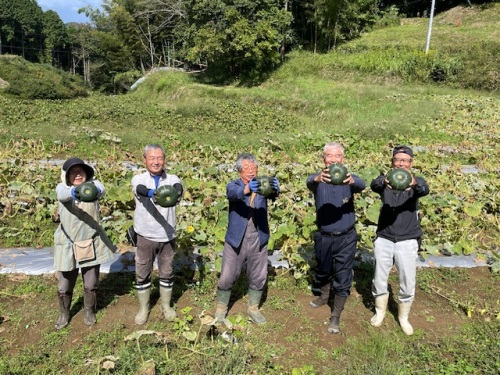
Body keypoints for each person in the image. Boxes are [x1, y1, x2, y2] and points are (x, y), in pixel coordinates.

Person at [306, 142, 365, 334]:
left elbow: (361, 184)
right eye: (329, 156)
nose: (333, 159)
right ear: (324, 159)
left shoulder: (349, 178)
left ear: (343, 159)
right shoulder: (318, 179)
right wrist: (316, 179)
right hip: (324, 236)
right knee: (323, 269)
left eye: (337, 156)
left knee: (342, 275)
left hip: (346, 237)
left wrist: (351, 182)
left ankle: (336, 316)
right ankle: (324, 296)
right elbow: (309, 182)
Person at [214, 153, 280, 324]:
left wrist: (275, 188)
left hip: (258, 235)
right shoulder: (233, 185)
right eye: (247, 168)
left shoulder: (262, 184)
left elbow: (272, 194)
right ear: (239, 171)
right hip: (237, 237)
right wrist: (247, 189)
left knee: (258, 274)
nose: (251, 171)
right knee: (228, 274)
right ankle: (221, 308)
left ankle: (253, 309)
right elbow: (233, 194)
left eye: (254, 168)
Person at [370, 145, 429, 335]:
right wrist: (384, 182)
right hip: (385, 237)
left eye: (405, 160)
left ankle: (403, 317)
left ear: (411, 164)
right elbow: (374, 185)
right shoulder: (385, 181)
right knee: (380, 276)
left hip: (407, 239)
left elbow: (424, 189)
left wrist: (413, 184)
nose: (401, 163)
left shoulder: (416, 182)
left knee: (407, 279)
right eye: (398, 160)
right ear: (393, 162)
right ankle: (380, 311)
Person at [54, 158, 116, 329]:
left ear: (87, 173)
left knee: (91, 283)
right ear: (66, 176)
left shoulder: (94, 186)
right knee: (65, 284)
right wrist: (76, 192)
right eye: (73, 172)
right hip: (68, 242)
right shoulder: (63, 188)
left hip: (91, 241)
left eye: (81, 171)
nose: (78, 174)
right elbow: (62, 195)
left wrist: (90, 190)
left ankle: (89, 310)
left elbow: (101, 190)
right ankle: (64, 313)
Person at [132, 144, 183, 325]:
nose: (156, 161)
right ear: (144, 160)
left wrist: (176, 192)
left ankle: (166, 306)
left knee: (167, 272)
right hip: (145, 235)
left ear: (164, 160)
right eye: (152, 158)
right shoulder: (139, 179)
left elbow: (178, 188)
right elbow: (139, 190)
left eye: (160, 158)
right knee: (143, 272)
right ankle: (144, 308)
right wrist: (152, 193)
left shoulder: (172, 178)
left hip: (167, 236)